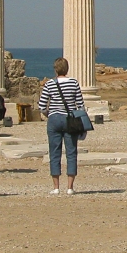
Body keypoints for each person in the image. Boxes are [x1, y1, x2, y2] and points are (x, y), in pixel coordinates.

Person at [38, 57, 85, 194]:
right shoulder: (74, 83)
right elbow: (80, 105)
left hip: (54, 118)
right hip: (69, 119)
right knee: (71, 152)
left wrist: (49, 114)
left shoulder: (49, 84)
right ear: (67, 68)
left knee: (54, 152)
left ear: (55, 69)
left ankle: (56, 187)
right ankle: (70, 187)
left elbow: (41, 106)